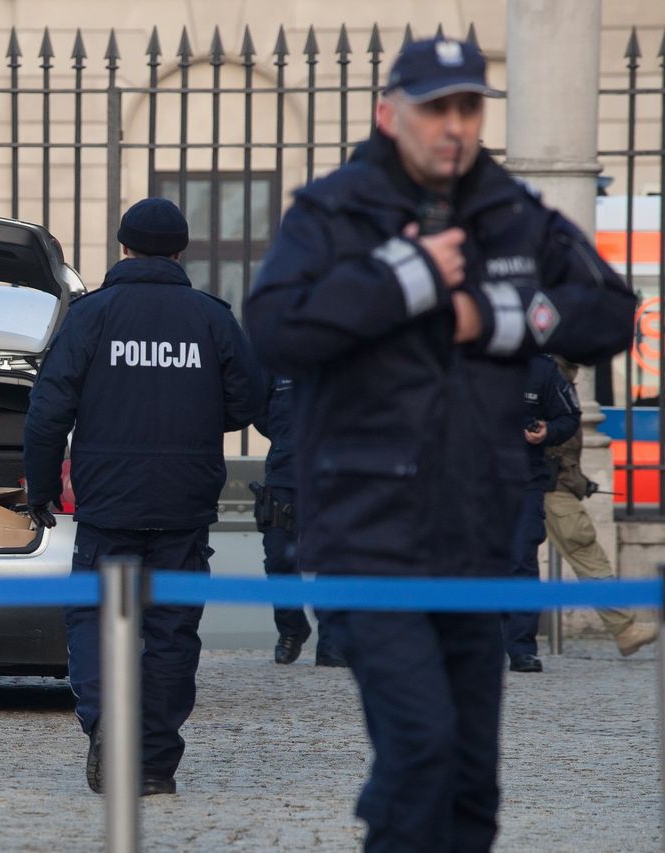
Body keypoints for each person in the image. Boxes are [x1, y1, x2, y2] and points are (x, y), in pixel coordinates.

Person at [244, 38, 635, 851]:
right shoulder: (333, 211)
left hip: (477, 531)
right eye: (435, 108)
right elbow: (276, 329)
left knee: (469, 786)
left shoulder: (511, 211)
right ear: (392, 115)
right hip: (366, 530)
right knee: (419, 748)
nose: (453, 126)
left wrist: (506, 318)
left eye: (467, 107)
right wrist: (403, 281)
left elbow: (609, 310)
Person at [23, 197, 262, 796]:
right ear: (181, 250)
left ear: (123, 247)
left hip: (108, 500)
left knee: (94, 616)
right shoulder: (211, 318)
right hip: (185, 503)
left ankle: (108, 723)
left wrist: (44, 487)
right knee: (173, 631)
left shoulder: (91, 315)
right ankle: (154, 763)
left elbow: (48, 410)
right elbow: (250, 401)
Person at [544, 356, 658, 656]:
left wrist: (580, 481)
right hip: (551, 488)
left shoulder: (552, 380)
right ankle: (624, 626)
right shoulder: (552, 382)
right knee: (586, 552)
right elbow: (556, 449)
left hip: (548, 485)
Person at [251, 370, 346, 666]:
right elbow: (258, 410)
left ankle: (332, 641)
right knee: (278, 556)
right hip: (284, 472)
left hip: (334, 473)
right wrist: (286, 440)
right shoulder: (275, 360)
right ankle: (292, 629)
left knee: (334, 559)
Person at [503, 355, 580, 673]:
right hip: (471, 482)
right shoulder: (465, 358)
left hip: (525, 481)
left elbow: (570, 416)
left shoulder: (542, 369)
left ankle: (521, 648)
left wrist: (547, 431)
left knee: (521, 559)